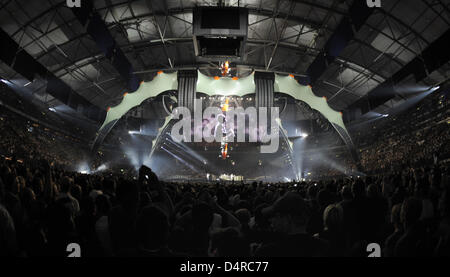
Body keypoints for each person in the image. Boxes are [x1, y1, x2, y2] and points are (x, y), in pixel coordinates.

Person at [255, 192, 326, 257]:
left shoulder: (267, 252)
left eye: (276, 216)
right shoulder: (324, 247)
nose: (271, 220)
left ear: (288, 219)